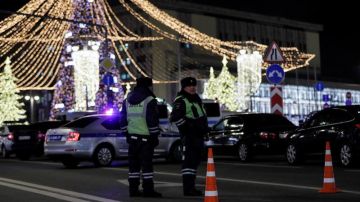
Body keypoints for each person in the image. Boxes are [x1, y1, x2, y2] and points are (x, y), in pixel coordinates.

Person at [119, 77, 162, 198]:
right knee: (147, 166)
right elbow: (152, 121)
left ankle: (133, 190)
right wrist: (154, 136)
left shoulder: (127, 100)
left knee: (134, 166)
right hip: (146, 139)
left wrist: (127, 134)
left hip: (132, 139)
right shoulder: (149, 100)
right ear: (148, 86)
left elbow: (122, 120)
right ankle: (148, 190)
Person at [170, 77, 208, 196]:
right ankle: (188, 189)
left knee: (194, 162)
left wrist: (204, 130)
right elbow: (176, 117)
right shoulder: (181, 100)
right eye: (189, 86)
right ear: (184, 87)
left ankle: (191, 187)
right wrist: (188, 129)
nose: (192, 88)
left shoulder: (196, 99)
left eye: (194, 85)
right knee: (189, 162)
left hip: (197, 136)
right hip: (190, 136)